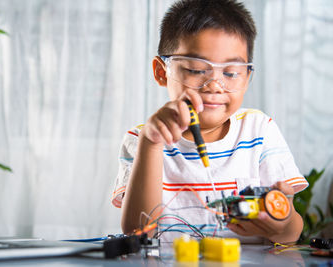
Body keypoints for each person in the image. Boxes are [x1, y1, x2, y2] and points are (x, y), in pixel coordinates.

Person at [112, 0, 308, 244]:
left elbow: (292, 233)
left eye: (231, 73)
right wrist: (151, 144)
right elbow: (138, 232)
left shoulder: (259, 130)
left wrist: (282, 225)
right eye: (196, 70)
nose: (215, 85)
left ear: (247, 78)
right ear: (162, 72)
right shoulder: (143, 138)